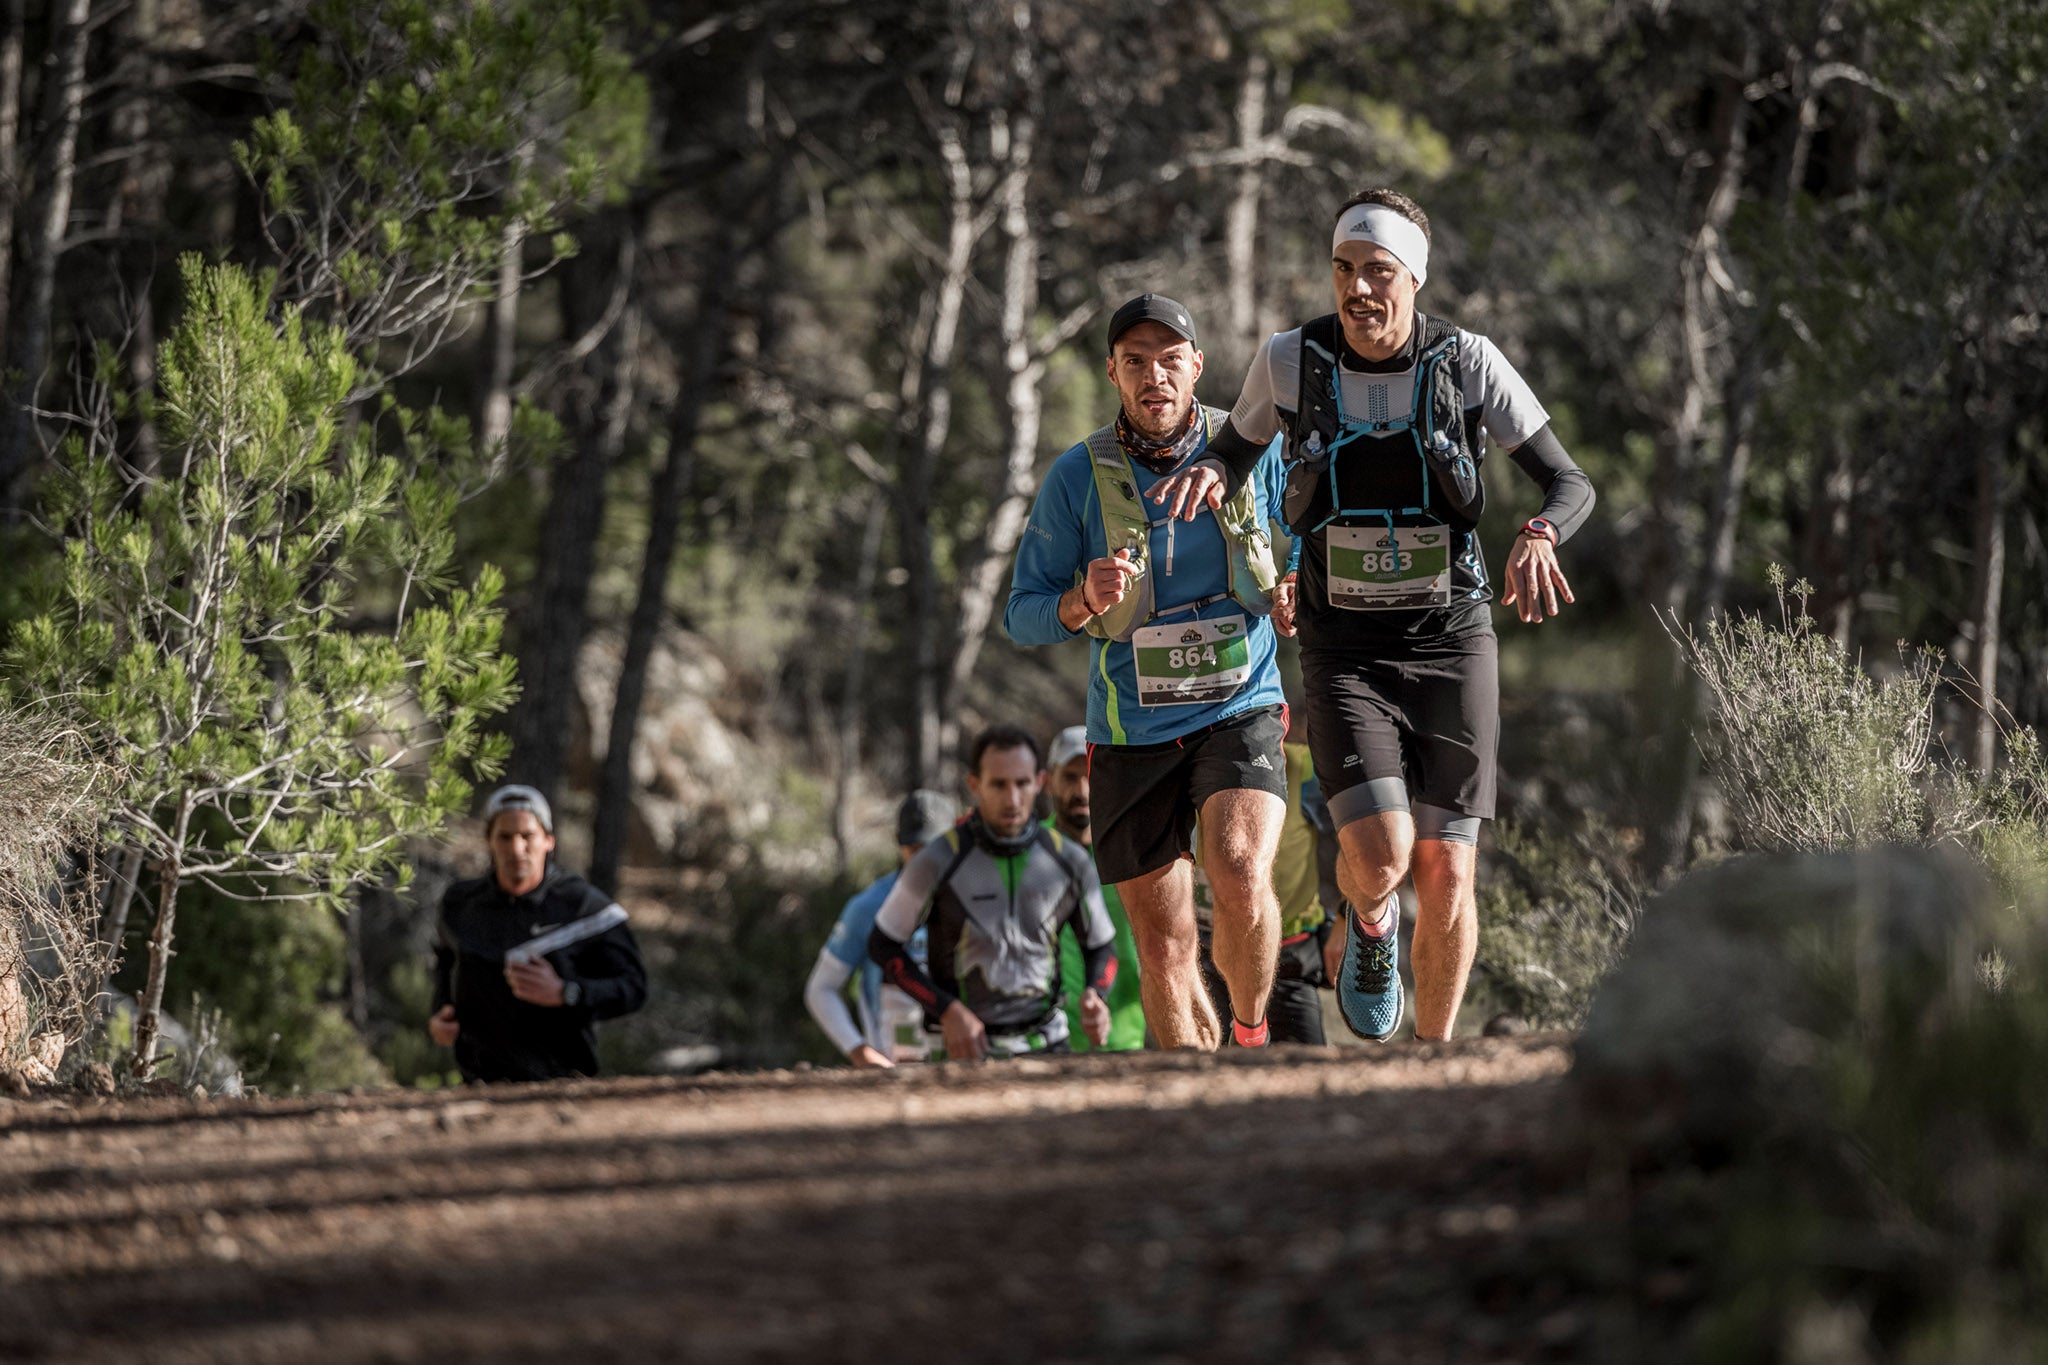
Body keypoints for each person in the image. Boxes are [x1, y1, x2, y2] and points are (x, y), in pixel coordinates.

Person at [1149, 188, 1595, 1042]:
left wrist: (1540, 532)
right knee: (1384, 858)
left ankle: (1432, 1063)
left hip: (1452, 638)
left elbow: (1570, 481)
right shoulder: (1291, 360)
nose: (1358, 289)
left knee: (1449, 869)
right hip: (1344, 643)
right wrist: (1212, 473)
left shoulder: (1468, 363)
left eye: (1378, 272)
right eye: (1343, 270)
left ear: (1415, 279)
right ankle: (1371, 922)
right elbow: (1234, 449)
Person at [1005, 294, 1297, 1051]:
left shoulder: (1254, 446)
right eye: (1136, 362)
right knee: (1165, 946)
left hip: (1241, 703)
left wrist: (1299, 585)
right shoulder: (1077, 477)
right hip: (1131, 729)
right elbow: (1020, 612)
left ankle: (1251, 1030)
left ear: (1197, 367)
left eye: (1171, 360)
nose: (1154, 376)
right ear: (1112, 373)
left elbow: (1305, 542)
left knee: (1237, 867)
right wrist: (1078, 599)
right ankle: (1193, 1112)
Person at [867, 725, 1116, 1059]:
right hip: (960, 1048)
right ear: (975, 785)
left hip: (1047, 1045)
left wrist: (1096, 993)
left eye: (1022, 783)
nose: (1012, 799)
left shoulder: (1069, 860)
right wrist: (946, 1010)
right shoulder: (937, 859)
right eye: (999, 785)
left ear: (1039, 782)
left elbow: (1102, 948)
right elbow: (882, 945)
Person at [429, 785, 648, 1082]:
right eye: (505, 837)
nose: (517, 849)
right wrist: (440, 1013)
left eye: (527, 836)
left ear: (548, 841)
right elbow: (445, 960)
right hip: (480, 1084)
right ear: (489, 842)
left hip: (562, 1082)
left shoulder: (585, 907)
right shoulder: (460, 905)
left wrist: (566, 993)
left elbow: (633, 988)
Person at [1193, 711, 1344, 1044]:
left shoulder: (1302, 768)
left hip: (1288, 965)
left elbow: (1360, 836)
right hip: (1206, 960)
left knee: (1309, 1082)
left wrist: (1347, 919)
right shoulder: (1188, 765)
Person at [803, 790, 958, 1068]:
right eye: (914, 850)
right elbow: (821, 989)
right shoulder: (868, 907)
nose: (924, 862)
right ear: (899, 845)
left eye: (933, 850)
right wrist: (858, 1051)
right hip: (891, 1072)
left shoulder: (975, 901)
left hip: (966, 1071)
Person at [1044, 725, 1147, 1051]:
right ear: (1048, 781)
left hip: (1126, 1035)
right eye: (1070, 777)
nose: (1083, 789)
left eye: (1091, 774)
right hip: (1050, 1038)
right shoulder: (1030, 851)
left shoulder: (1133, 850)